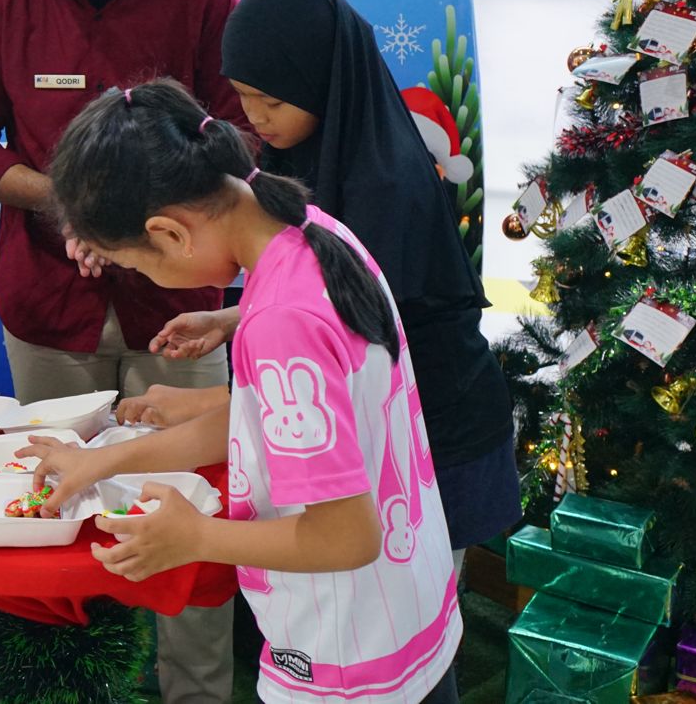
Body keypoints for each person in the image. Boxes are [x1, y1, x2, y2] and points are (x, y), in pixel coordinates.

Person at [0, 0, 245, 704]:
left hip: (180, 314)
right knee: (59, 508)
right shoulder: (0, 4)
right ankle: (83, 688)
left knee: (189, 504)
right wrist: (64, 202)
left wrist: (140, 219)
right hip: (49, 307)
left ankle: (193, 690)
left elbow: (241, 139)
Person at [28, 79, 461, 704]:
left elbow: (345, 535)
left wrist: (196, 539)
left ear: (169, 233)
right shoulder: (311, 231)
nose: (151, 280)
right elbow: (298, 424)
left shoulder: (281, 320)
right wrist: (107, 458)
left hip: (347, 657)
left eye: (138, 265)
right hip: (405, 611)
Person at [130, 0, 520, 572]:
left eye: (274, 101)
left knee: (420, 598)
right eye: (243, 96)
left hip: (438, 424)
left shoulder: (387, 187)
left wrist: (212, 403)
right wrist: (232, 317)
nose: (256, 117)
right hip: (375, 422)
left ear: (324, 81)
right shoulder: (301, 153)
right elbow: (325, 295)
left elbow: (361, 324)